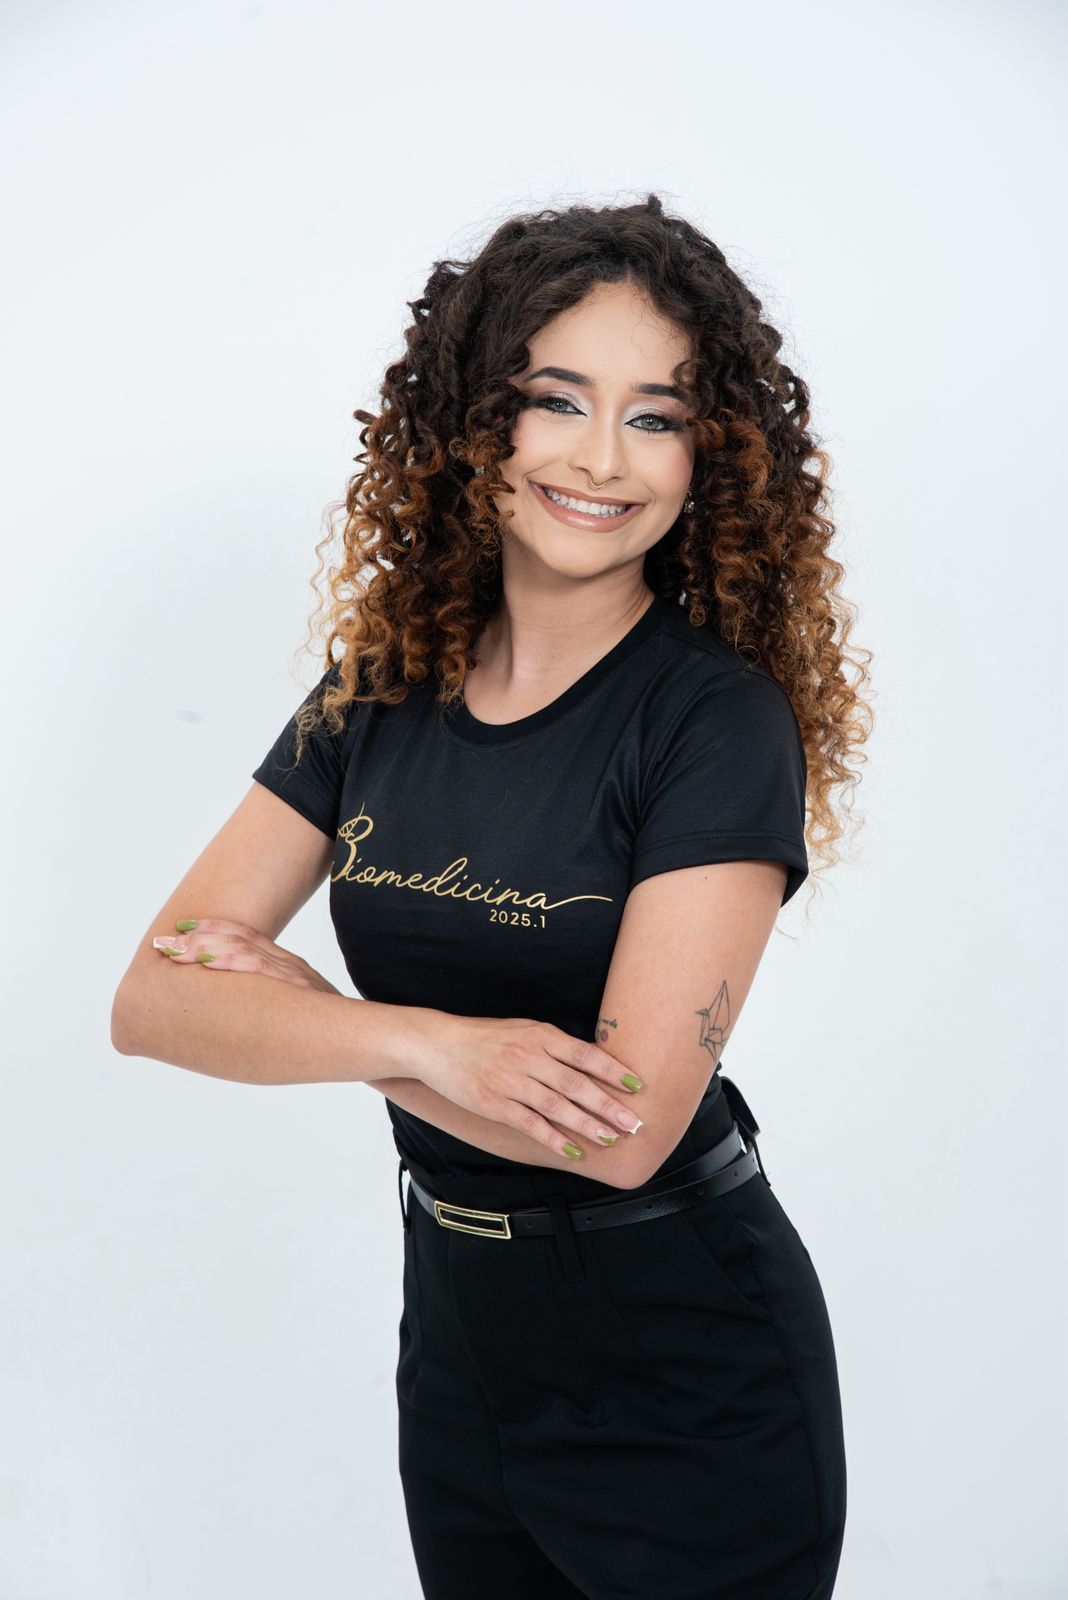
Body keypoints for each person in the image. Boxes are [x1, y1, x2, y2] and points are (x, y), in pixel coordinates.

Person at [112, 195, 872, 1599]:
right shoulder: (377, 690)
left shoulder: (715, 722)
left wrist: (320, 1028)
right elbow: (153, 998)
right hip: (460, 1341)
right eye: (556, 400)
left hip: (685, 1364)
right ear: (476, 426)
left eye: (656, 416)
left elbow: (624, 1136)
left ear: (708, 457)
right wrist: (425, 1044)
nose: (601, 457)